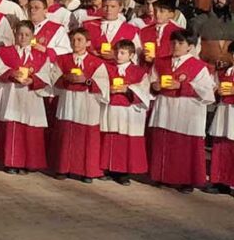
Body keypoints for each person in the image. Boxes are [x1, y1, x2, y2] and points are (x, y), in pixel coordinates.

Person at [147, 30, 215, 192]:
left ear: (190, 46)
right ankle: (163, 176)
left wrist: (182, 86)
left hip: (187, 110)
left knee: (185, 146)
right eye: (173, 43)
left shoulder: (199, 67)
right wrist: (154, 86)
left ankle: (187, 181)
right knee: (165, 142)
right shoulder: (160, 62)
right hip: (165, 108)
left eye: (180, 43)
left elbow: (207, 91)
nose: (175, 46)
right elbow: (150, 81)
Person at [0, 21, 55, 173]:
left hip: (30, 95)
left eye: (27, 35)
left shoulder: (40, 56)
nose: (23, 37)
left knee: (29, 129)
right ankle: (11, 162)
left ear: (33, 36)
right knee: (12, 127)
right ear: (15, 34)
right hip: (11, 93)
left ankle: (28, 163)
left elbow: (47, 75)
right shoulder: (4, 52)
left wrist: (33, 80)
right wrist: (11, 73)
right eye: (20, 34)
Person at [51, 29, 110, 182]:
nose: (75, 43)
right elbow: (52, 79)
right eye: (73, 40)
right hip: (68, 100)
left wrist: (87, 80)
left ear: (88, 43)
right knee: (66, 133)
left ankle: (87, 171)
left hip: (87, 101)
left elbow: (103, 84)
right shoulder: (62, 59)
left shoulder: (97, 62)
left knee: (87, 136)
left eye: (79, 40)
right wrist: (66, 78)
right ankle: (63, 168)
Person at [99, 40, 151, 184]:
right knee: (111, 137)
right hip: (112, 108)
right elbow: (99, 85)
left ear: (131, 55)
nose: (118, 55)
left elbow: (144, 90)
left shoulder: (139, 72)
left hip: (129, 111)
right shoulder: (107, 68)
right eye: (116, 52)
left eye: (122, 53)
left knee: (125, 140)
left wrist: (128, 89)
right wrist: (107, 89)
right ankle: (108, 167)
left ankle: (123, 172)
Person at [82, 0, 138, 65]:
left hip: (118, 70)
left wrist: (116, 55)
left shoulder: (130, 30)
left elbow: (136, 55)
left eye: (113, 6)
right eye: (105, 6)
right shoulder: (88, 25)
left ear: (120, 8)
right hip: (93, 68)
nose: (108, 9)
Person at [208, 64, 234, 192]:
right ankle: (220, 181)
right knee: (221, 146)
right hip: (224, 110)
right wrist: (217, 92)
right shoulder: (225, 71)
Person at [138, 0, 182, 65]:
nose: (157, 14)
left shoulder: (179, 32)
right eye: (155, 11)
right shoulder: (144, 31)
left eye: (162, 11)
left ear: (171, 14)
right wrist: (143, 54)